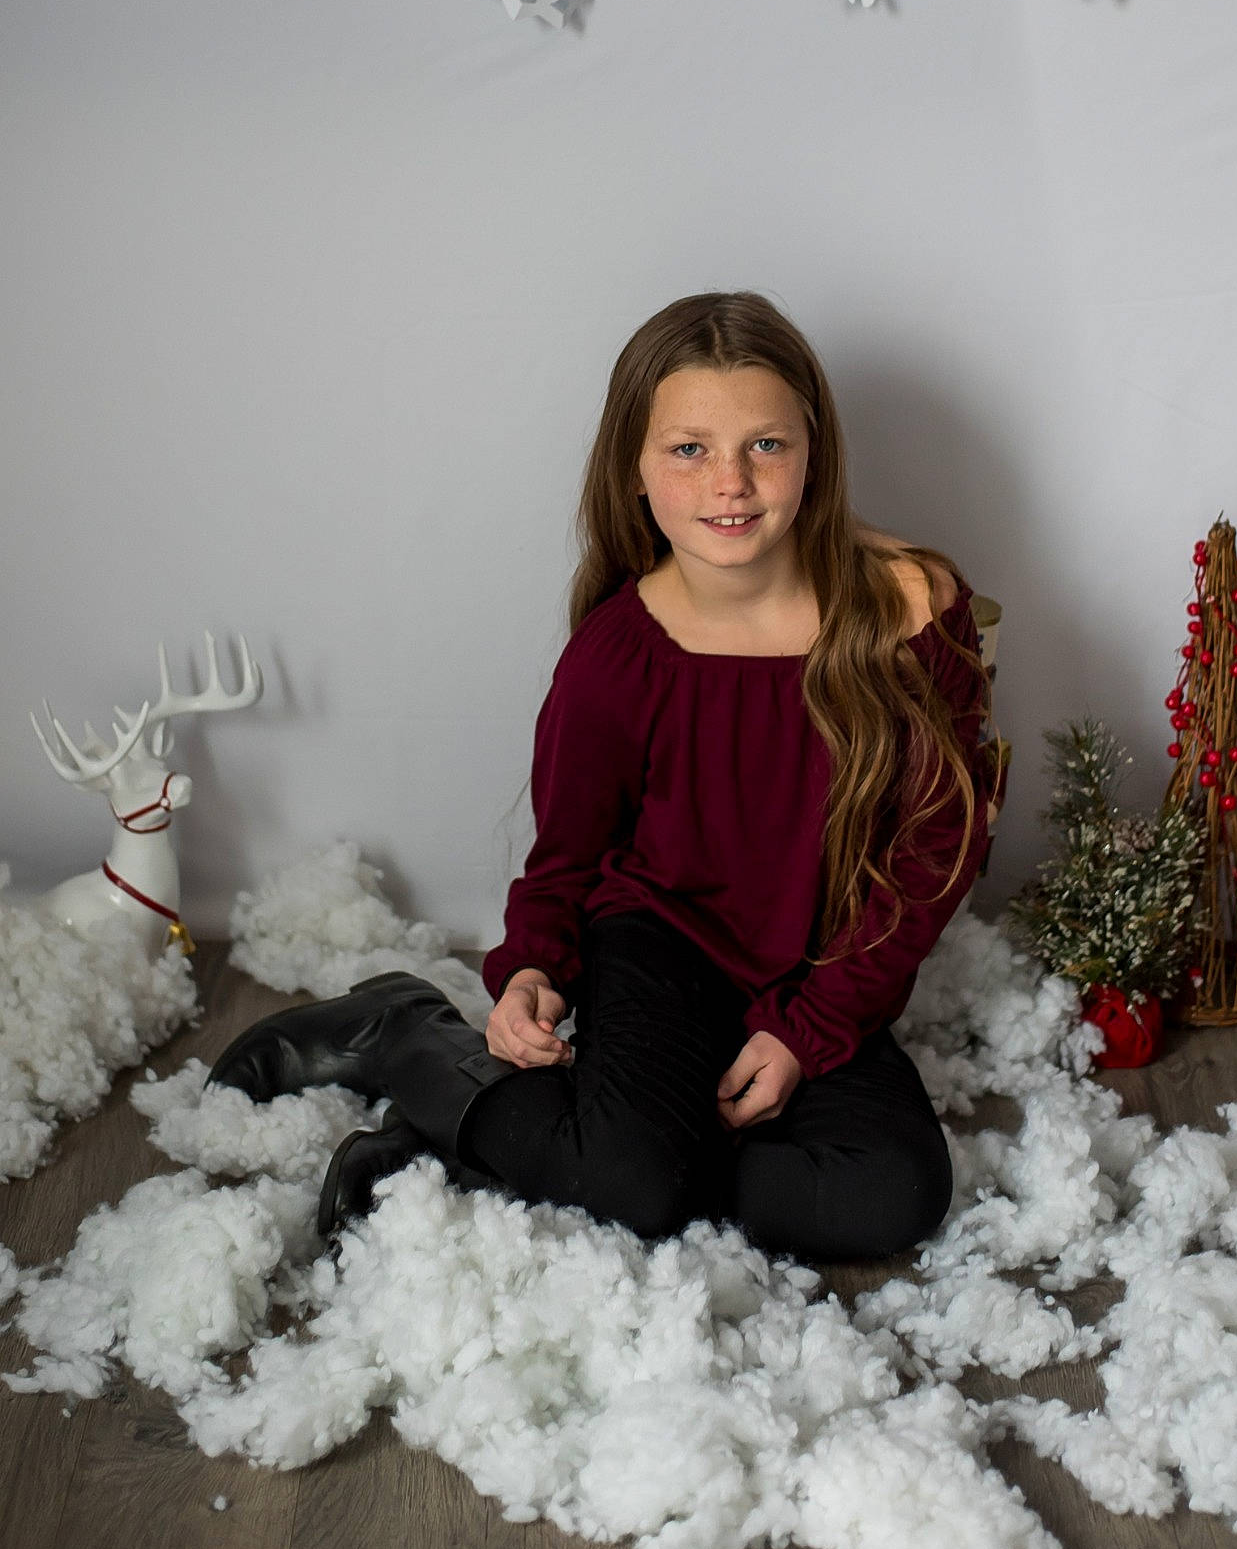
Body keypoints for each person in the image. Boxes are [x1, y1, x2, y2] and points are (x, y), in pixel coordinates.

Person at [207, 290, 1001, 1266]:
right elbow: (570, 854)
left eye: (765, 444)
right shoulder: (618, 654)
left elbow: (935, 846)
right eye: (687, 449)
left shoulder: (909, 607)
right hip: (658, 941)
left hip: (817, 962)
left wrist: (806, 1027)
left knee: (892, 1194)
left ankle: (539, 1141)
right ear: (632, 464)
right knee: (636, 1182)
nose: (731, 482)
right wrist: (531, 967)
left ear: (814, 450)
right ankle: (415, 1035)